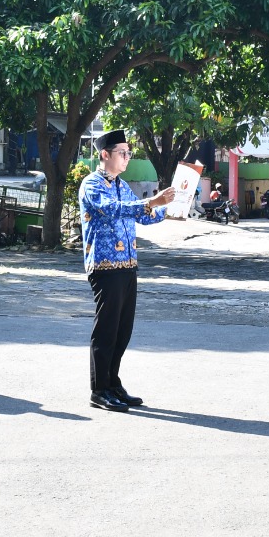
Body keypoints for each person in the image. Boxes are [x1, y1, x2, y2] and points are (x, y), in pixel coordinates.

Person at [78, 130, 177, 411]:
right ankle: (99, 389)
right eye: (122, 153)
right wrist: (152, 202)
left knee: (123, 330)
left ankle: (113, 383)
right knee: (107, 330)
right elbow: (114, 209)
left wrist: (168, 208)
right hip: (104, 265)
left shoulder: (121, 185)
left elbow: (141, 214)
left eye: (128, 153)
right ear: (105, 154)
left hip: (128, 265)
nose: (127, 158)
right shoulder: (92, 184)